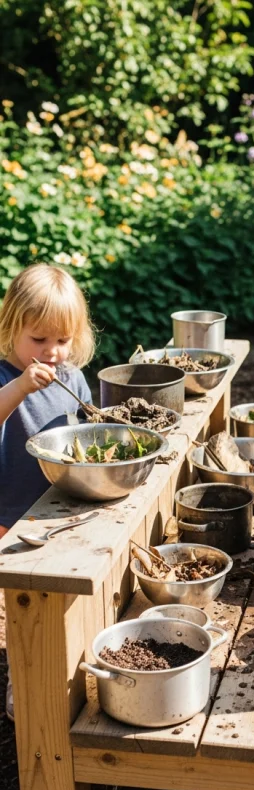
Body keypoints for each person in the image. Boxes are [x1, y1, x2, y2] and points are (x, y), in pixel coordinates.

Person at [0, 263, 95, 719]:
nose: (53, 352)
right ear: (11, 326)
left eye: (62, 340)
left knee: (57, 596)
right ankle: (24, 688)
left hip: (57, 509)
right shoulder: (5, 377)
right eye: (39, 340)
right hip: (10, 511)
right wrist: (20, 386)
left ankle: (68, 676)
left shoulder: (71, 376)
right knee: (23, 604)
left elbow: (84, 429)